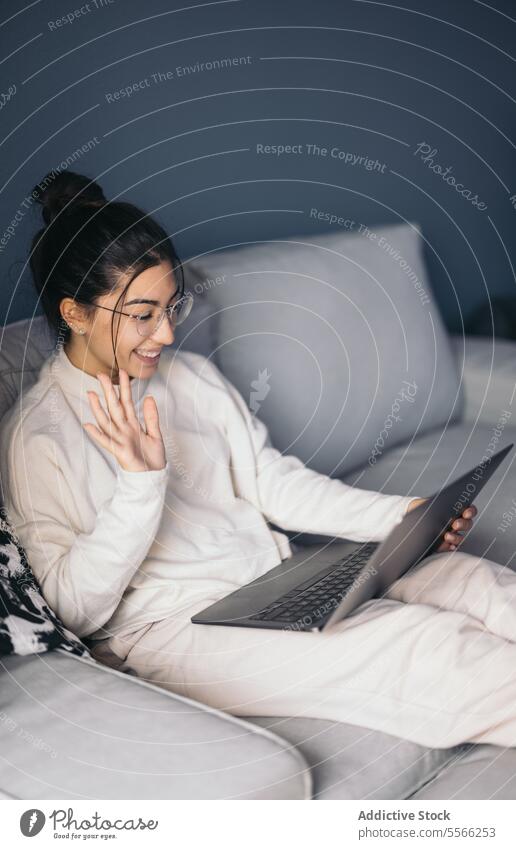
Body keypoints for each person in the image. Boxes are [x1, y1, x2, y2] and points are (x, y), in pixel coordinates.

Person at [2, 170, 515, 752]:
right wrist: (141, 485)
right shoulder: (35, 439)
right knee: (429, 648)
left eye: (172, 307)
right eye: (143, 315)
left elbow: (273, 483)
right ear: (75, 314)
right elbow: (73, 608)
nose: (167, 334)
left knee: (465, 577)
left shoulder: (188, 379)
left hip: (271, 583)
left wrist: (404, 518)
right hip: (175, 632)